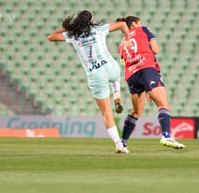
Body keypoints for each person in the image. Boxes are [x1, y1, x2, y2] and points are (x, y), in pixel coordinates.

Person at [47, 9, 132, 153]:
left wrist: (69, 26)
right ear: (91, 21)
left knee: (107, 113)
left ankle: (118, 144)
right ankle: (116, 92)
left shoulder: (73, 35)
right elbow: (123, 24)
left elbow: (51, 37)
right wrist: (128, 39)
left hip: (95, 75)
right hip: (110, 68)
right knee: (116, 74)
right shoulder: (99, 29)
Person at [116, 16, 185, 153]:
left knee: (136, 112)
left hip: (131, 76)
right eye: (139, 22)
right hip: (147, 69)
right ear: (135, 24)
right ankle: (166, 135)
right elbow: (156, 49)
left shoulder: (122, 43)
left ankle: (122, 144)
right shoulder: (144, 29)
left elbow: (124, 63)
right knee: (163, 104)